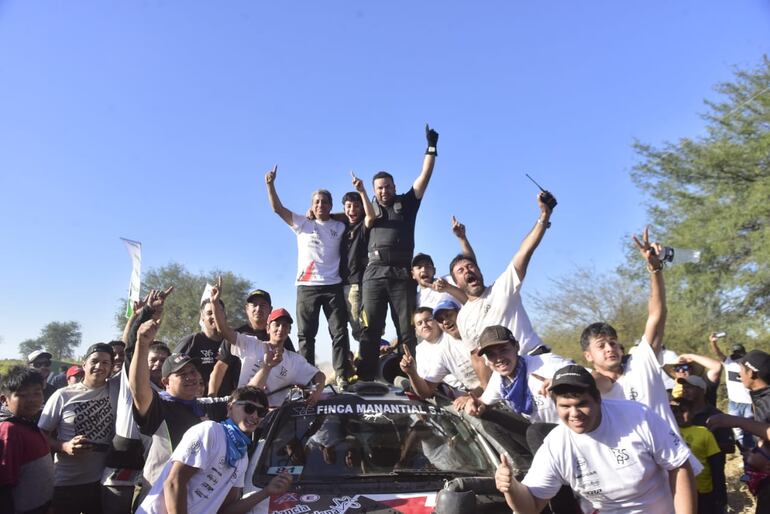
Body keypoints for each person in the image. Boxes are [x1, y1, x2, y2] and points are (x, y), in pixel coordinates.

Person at [494, 365, 696, 514]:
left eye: (582, 404)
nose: (574, 414)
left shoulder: (638, 417)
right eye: (565, 406)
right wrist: (511, 488)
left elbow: (679, 465)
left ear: (598, 399)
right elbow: (530, 506)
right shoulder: (556, 444)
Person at [357, 124, 438, 381]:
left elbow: (424, 177)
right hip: (373, 274)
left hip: (401, 274)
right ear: (374, 191)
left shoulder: (407, 203)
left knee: (406, 329)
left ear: (394, 186)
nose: (384, 190)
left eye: (388, 186)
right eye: (379, 188)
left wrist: (431, 147)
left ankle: (414, 377)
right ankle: (366, 380)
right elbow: (339, 217)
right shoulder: (366, 210)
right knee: (369, 328)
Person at [136, 386, 292, 514]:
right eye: (249, 408)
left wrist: (266, 492)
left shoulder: (241, 456)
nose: (255, 416)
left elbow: (225, 510)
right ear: (230, 407)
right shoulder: (210, 431)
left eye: (261, 412)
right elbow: (174, 482)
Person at [265, 165, 352, 386]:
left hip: (333, 285)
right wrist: (270, 185)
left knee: (339, 332)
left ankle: (342, 374)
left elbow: (354, 214)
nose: (320, 205)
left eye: (324, 202)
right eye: (316, 202)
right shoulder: (302, 223)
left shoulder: (339, 225)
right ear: (311, 205)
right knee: (306, 335)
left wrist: (335, 214)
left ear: (330, 206)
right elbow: (277, 209)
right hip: (306, 286)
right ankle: (308, 377)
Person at [129, 313, 228, 499]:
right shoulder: (159, 406)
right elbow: (138, 390)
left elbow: (242, 400)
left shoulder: (205, 407)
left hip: (194, 499)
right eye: (182, 374)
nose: (191, 377)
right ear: (165, 381)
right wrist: (142, 344)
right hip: (157, 499)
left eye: (192, 371)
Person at [452, 191, 555, 355]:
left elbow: (524, 251)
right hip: (503, 373)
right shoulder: (463, 317)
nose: (467, 271)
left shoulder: (502, 287)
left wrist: (544, 216)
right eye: (460, 270)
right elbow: (477, 358)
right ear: (456, 283)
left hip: (534, 358)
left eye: (471, 267)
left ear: (479, 271)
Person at [38, 343, 119, 514]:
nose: (99, 366)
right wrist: (64, 446)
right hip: (66, 482)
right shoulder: (63, 395)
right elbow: (40, 434)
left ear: (112, 367)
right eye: (94, 361)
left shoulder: (116, 390)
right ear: (84, 364)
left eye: (105, 363)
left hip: (101, 482)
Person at [463, 325, 573, 425]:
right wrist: (473, 404)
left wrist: (564, 381)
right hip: (544, 435)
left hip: (572, 428)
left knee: (534, 432)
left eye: (503, 350)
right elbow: (483, 403)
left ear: (516, 346)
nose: (499, 358)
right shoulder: (498, 379)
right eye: (491, 354)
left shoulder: (546, 363)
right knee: (488, 417)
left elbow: (589, 376)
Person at [707, 349, 770, 512]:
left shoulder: (768, 401)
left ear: (752, 373)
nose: (739, 374)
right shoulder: (759, 397)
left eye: (741, 369)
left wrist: (735, 421)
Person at [209, 288, 296, 397]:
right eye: (254, 305)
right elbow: (220, 368)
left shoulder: (281, 336)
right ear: (246, 309)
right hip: (242, 399)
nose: (258, 308)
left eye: (263, 305)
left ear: (270, 310)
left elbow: (294, 367)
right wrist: (211, 398)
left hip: (273, 401)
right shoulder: (238, 336)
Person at [243, 308, 326, 408]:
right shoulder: (252, 345)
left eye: (285, 326)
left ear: (289, 330)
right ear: (268, 328)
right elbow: (225, 332)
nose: (281, 329)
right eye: (277, 324)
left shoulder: (294, 360)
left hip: (272, 416)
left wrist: (316, 392)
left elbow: (319, 375)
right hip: (245, 409)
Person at [0, 366, 54, 514]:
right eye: (22, 395)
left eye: (37, 393)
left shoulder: (28, 423)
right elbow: (4, 485)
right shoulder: (9, 430)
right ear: (4, 400)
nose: (32, 400)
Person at [339, 182, 376, 354]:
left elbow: (371, 216)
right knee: (342, 327)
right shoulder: (341, 227)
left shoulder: (363, 226)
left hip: (356, 284)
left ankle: (369, 357)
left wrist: (362, 191)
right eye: (348, 206)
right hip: (339, 283)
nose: (352, 210)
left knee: (359, 326)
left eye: (356, 206)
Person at [671, 399, 725, 514]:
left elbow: (716, 465)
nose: (679, 415)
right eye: (675, 412)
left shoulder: (704, 433)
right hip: (680, 490)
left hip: (704, 489)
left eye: (683, 411)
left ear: (692, 413)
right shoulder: (669, 432)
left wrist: (720, 493)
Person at [412, 217, 474, 309]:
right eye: (419, 267)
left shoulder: (449, 280)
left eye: (428, 266)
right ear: (412, 274)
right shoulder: (415, 300)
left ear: (434, 270)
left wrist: (462, 238)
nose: (424, 269)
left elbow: (470, 263)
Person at [709, 334, 755, 452]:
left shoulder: (749, 366)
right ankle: (745, 454)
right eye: (735, 353)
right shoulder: (729, 363)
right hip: (734, 403)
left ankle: (751, 455)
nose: (737, 356)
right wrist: (713, 343)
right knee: (737, 432)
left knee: (749, 431)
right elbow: (717, 353)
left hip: (748, 403)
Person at [175, 297, 227, 393]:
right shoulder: (190, 342)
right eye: (210, 313)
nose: (215, 315)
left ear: (225, 315)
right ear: (202, 317)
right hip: (197, 403)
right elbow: (173, 372)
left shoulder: (233, 342)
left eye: (218, 311)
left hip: (229, 403)